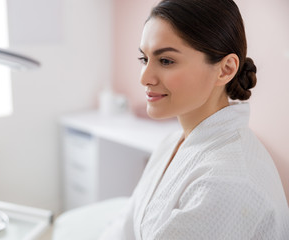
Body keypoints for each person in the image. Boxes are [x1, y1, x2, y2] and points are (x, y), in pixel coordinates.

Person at [99, 0, 289, 239]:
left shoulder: (227, 183)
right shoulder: (172, 143)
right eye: (144, 59)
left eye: (166, 61)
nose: (144, 77)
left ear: (226, 69)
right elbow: (127, 224)